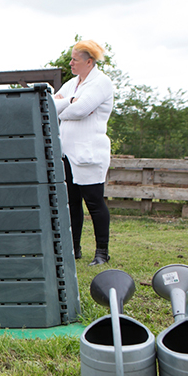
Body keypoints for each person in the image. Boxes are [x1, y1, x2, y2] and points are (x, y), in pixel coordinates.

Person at [53, 40, 114, 266]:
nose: (70, 63)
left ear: (89, 62)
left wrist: (65, 108)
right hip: (67, 153)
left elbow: (80, 110)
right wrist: (70, 102)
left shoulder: (101, 83)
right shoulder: (72, 84)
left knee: (94, 202)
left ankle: (102, 252)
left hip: (89, 153)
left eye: (75, 59)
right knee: (71, 202)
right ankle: (74, 248)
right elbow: (50, 105)